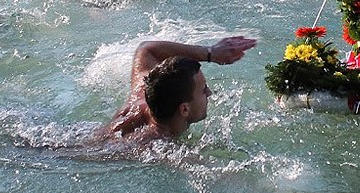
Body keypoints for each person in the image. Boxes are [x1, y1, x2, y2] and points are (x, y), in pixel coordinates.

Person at [96, 36, 257, 142]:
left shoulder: (144, 91)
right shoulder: (155, 146)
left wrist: (210, 53)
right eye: (203, 90)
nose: (210, 93)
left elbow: (146, 49)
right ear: (184, 109)